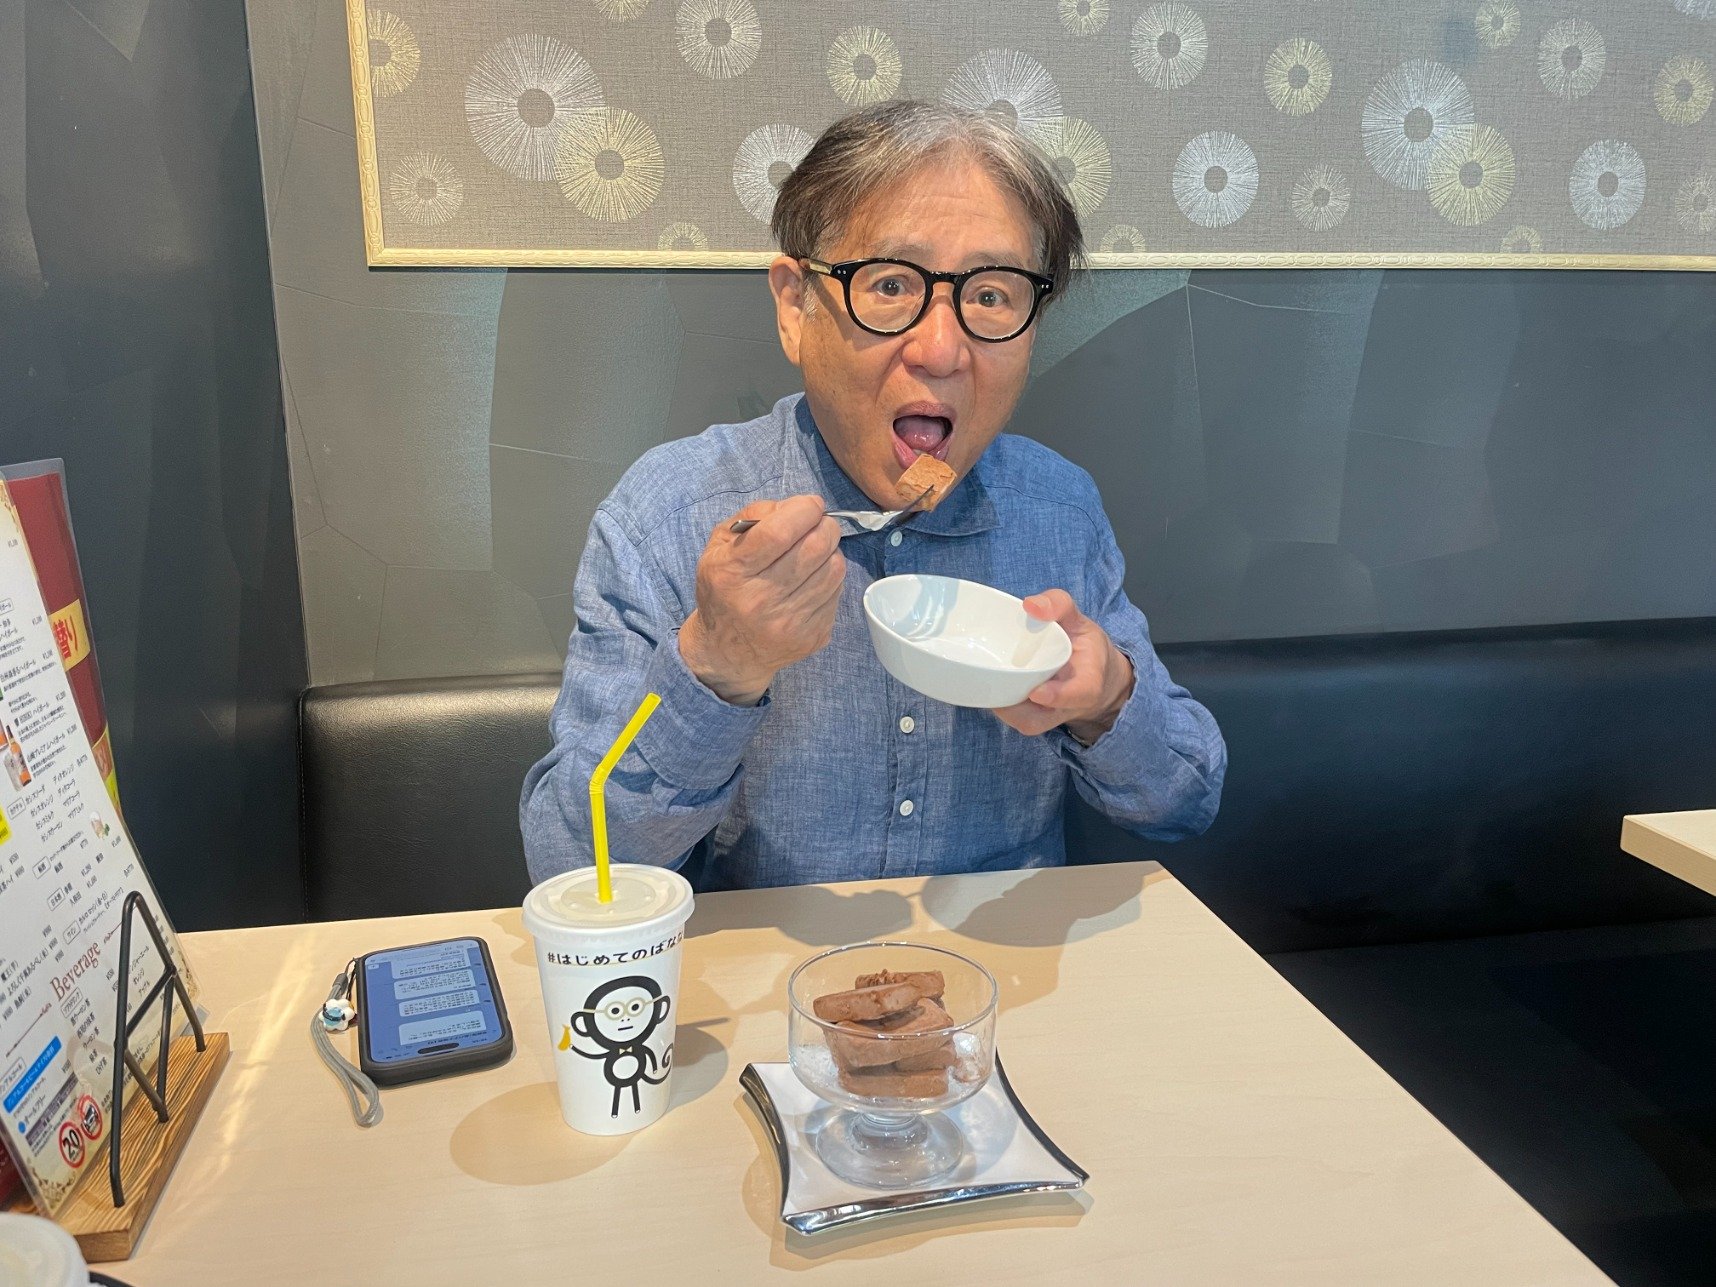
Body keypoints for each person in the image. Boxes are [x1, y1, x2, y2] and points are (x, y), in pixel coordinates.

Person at [521, 100, 1225, 890]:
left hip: (998, 958)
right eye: (890, 284)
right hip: (768, 961)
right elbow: (572, 867)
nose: (942, 349)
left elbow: (1186, 800)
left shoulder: (1058, 511)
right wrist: (717, 664)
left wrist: (1107, 697)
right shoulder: (668, 515)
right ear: (796, 307)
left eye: (992, 295)